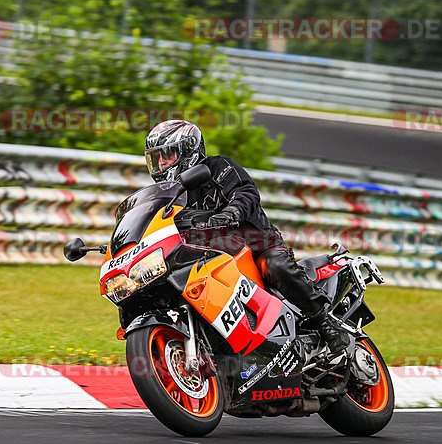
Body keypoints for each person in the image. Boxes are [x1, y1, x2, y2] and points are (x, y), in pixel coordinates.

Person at [144, 119, 350, 354]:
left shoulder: (218, 167)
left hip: (256, 243)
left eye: (166, 155)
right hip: (211, 254)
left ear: (187, 150)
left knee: (275, 266)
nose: (160, 163)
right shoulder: (169, 194)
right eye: (156, 157)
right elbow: (156, 223)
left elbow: (246, 193)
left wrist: (230, 213)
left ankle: (324, 322)